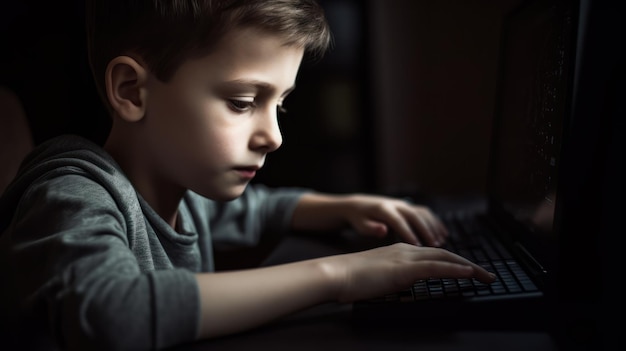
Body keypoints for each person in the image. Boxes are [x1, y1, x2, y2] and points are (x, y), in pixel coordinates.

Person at [0, 0, 496, 350]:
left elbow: (262, 209)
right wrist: (339, 275)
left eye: (280, 104)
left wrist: (346, 205)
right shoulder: (69, 194)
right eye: (243, 102)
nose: (274, 136)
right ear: (131, 90)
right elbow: (113, 313)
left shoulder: (183, 192)